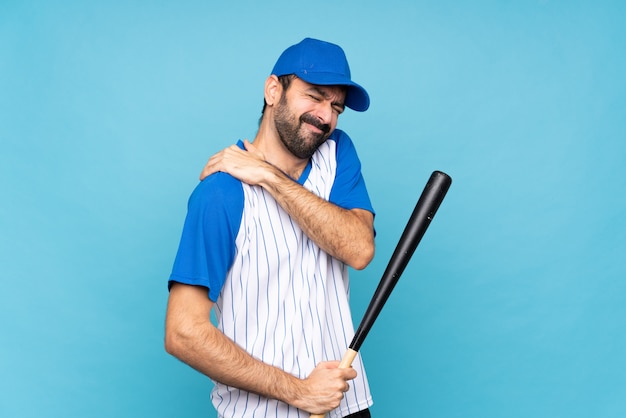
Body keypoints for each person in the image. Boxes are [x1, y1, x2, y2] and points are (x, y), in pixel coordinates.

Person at [165, 37, 375, 418]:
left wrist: (268, 176)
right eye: (314, 95)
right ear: (273, 90)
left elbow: (359, 249)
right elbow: (183, 332)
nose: (326, 116)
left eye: (336, 106)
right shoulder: (220, 194)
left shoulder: (337, 152)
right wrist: (299, 392)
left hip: (346, 406)